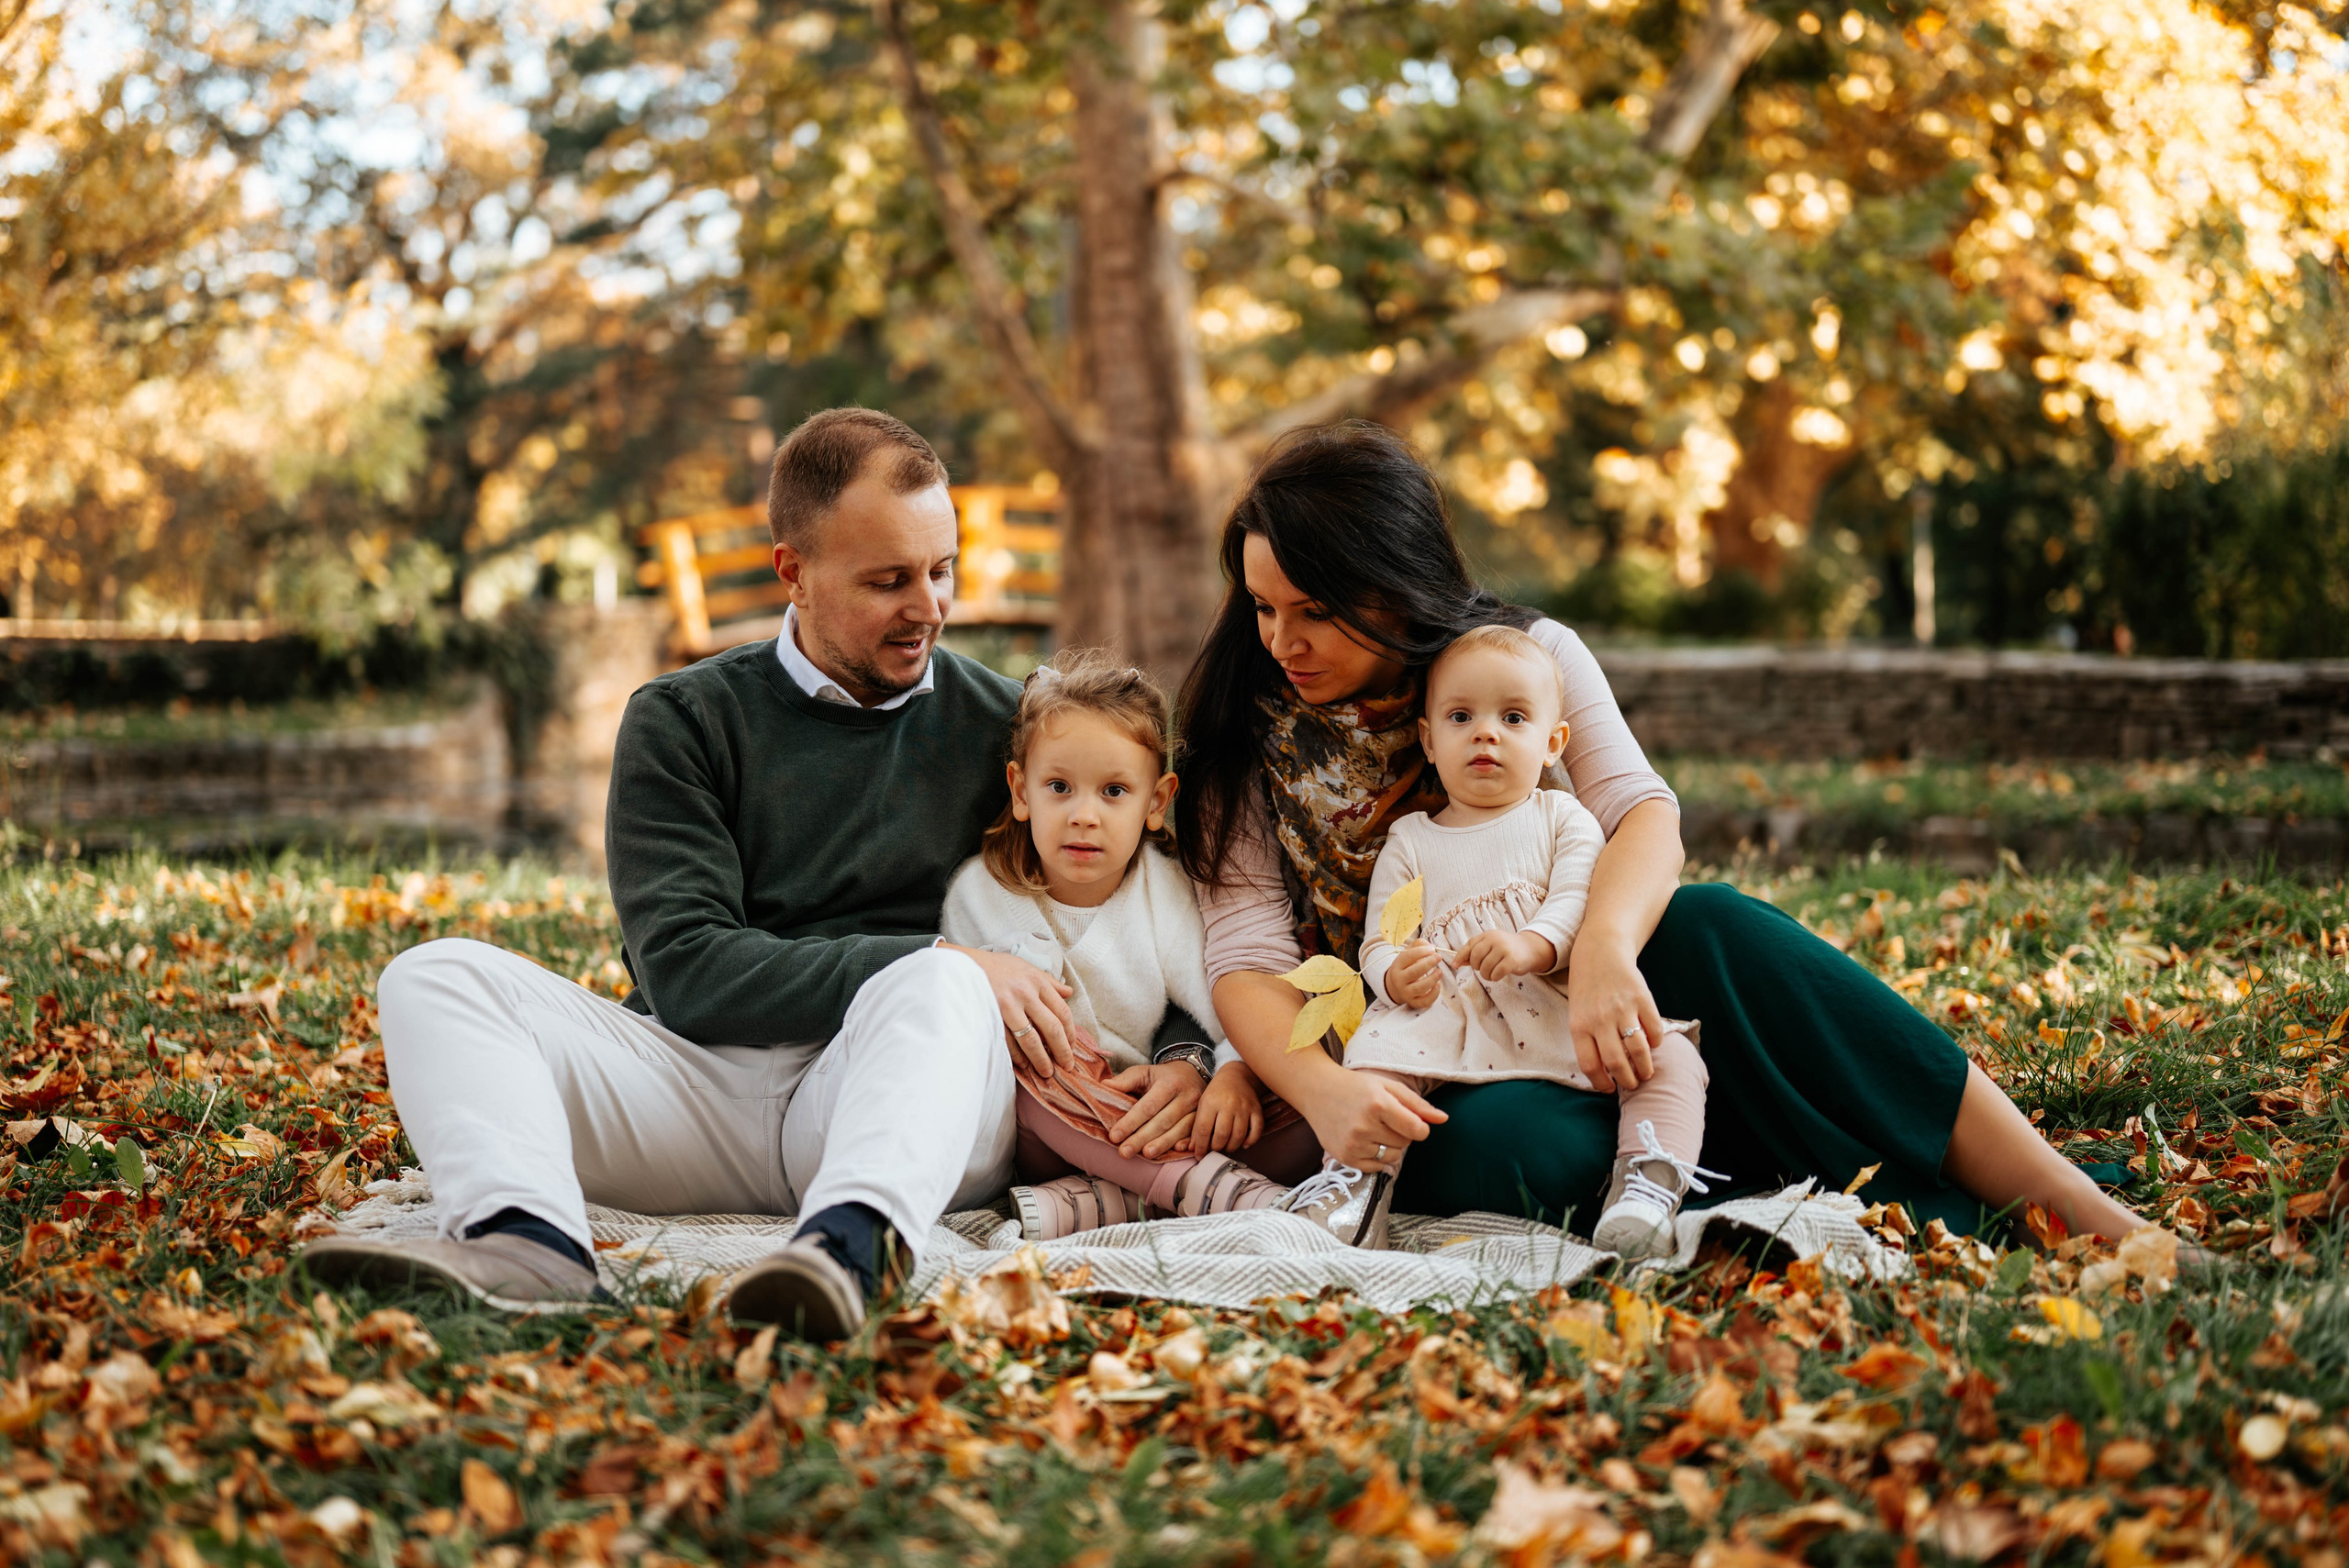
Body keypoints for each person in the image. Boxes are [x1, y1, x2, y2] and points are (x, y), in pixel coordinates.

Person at [1175, 419, 2156, 1246]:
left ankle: (2070, 1199)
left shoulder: (1524, 659)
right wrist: (1327, 1097)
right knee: (1533, 1151)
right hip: (1422, 1055)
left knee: (1718, 927)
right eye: (1263, 607)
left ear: (1399, 582)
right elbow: (1246, 959)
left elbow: (1640, 810)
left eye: (1316, 611)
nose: (1281, 642)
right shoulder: (1241, 730)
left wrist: (1600, 950)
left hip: (1567, 980)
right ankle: (1821, 1174)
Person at [300, 407, 1096, 1340]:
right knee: (433, 975)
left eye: (940, 569)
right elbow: (688, 972)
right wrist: (927, 950)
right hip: (695, 1088)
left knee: (944, 980)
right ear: (792, 570)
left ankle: (848, 1251)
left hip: (898, 1089)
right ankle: (527, 1241)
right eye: (888, 579)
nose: (927, 605)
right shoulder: (684, 720)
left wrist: (1182, 1056)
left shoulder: (1013, 726)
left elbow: (1139, 903)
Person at [1336, 624, 1717, 1258]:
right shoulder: (1411, 838)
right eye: (1462, 716)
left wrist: (1532, 945)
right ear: (1429, 739)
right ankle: (1353, 1187)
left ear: (1553, 742)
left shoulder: (1562, 816)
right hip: (1446, 1008)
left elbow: (1575, 901)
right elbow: (1381, 937)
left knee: (1666, 1054)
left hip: (1553, 992)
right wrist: (1394, 973)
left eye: (1514, 717)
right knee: (1374, 1065)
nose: (1486, 732)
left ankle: (1648, 1181)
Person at [939, 650, 1322, 1239]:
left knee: (1297, 1094)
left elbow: (1224, 1008)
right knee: (1031, 1060)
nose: (1084, 815)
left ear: (1157, 802)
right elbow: (963, 1028)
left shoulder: (1163, 891)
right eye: (1059, 787)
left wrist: (1226, 1074)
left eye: (1114, 791)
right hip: (1053, 1117)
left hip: (1158, 1117)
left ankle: (1117, 1200)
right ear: (1021, 791)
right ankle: (1225, 1193)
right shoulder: (979, 895)